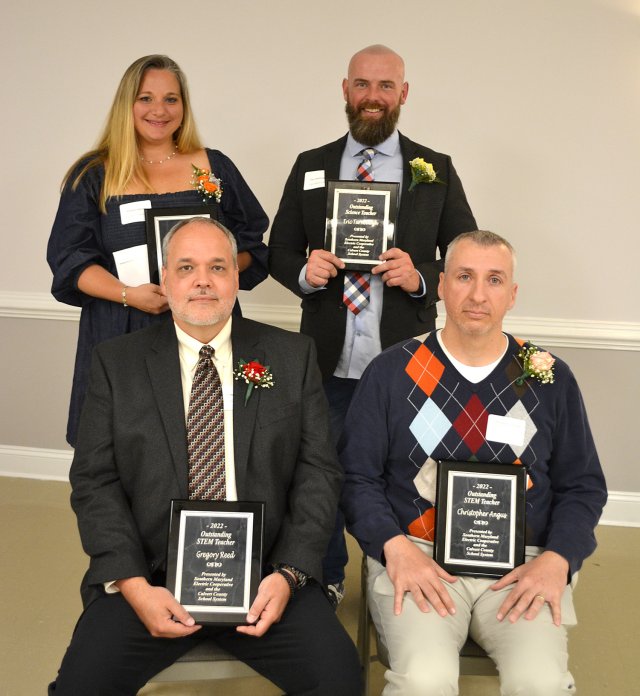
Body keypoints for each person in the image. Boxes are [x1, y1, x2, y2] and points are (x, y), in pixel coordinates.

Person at [48, 217, 362, 695]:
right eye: (187, 267)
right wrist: (133, 585)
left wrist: (290, 574)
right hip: (150, 576)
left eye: (217, 267)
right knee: (78, 686)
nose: (202, 281)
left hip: (266, 576)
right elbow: (95, 482)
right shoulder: (117, 363)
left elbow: (318, 474)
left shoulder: (292, 356)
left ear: (236, 279)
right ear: (166, 277)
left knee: (340, 678)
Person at [340, 230, 607, 695]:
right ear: (441, 285)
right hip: (418, 559)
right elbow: (356, 477)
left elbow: (582, 486)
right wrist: (393, 548)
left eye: (494, 280)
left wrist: (559, 559)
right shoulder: (391, 372)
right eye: (464, 277)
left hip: (523, 567)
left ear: (513, 294)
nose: (478, 295)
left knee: (542, 683)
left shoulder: (548, 376)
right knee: (423, 681)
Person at [268, 44, 477, 603]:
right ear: (345, 90)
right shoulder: (311, 165)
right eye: (362, 85)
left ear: (403, 94)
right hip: (328, 357)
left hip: (406, 359)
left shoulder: (435, 170)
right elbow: (278, 250)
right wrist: (304, 273)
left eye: (385, 87)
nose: (373, 97)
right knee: (324, 474)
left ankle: (394, 573)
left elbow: (466, 255)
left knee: (404, 474)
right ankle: (328, 578)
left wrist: (420, 275)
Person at [47, 54, 269, 447]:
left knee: (208, 446)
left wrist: (212, 273)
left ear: (184, 107)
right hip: (121, 327)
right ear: (126, 105)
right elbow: (70, 259)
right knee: (123, 451)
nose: (159, 110)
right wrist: (129, 295)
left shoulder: (214, 166)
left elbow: (251, 244)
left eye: (171, 99)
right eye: (146, 98)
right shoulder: (95, 173)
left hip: (205, 327)